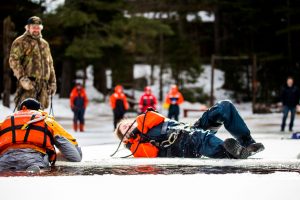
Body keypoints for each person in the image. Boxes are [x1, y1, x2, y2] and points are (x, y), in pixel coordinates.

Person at [114, 100, 265, 159]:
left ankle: (247, 143)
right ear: (126, 139)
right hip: (185, 146)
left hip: (189, 129)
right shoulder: (136, 147)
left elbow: (156, 117)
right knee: (202, 138)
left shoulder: (144, 120)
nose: (127, 127)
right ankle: (233, 153)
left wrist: (138, 127)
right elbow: (151, 153)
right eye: (124, 131)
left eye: (126, 124)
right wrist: (134, 139)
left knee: (224, 107)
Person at [0, 98, 82, 172]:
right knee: (41, 163)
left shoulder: (6, 121)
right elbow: (74, 155)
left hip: (5, 159)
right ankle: (33, 169)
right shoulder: (46, 120)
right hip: (34, 159)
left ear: (23, 108)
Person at [9, 16, 57, 109]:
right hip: (29, 85)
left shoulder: (45, 44)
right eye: (33, 27)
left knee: (40, 118)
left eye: (38, 27)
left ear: (41, 28)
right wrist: (23, 79)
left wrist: (53, 83)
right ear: (28, 27)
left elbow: (50, 64)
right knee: (26, 115)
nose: (36, 29)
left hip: (43, 87)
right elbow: (13, 60)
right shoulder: (20, 41)